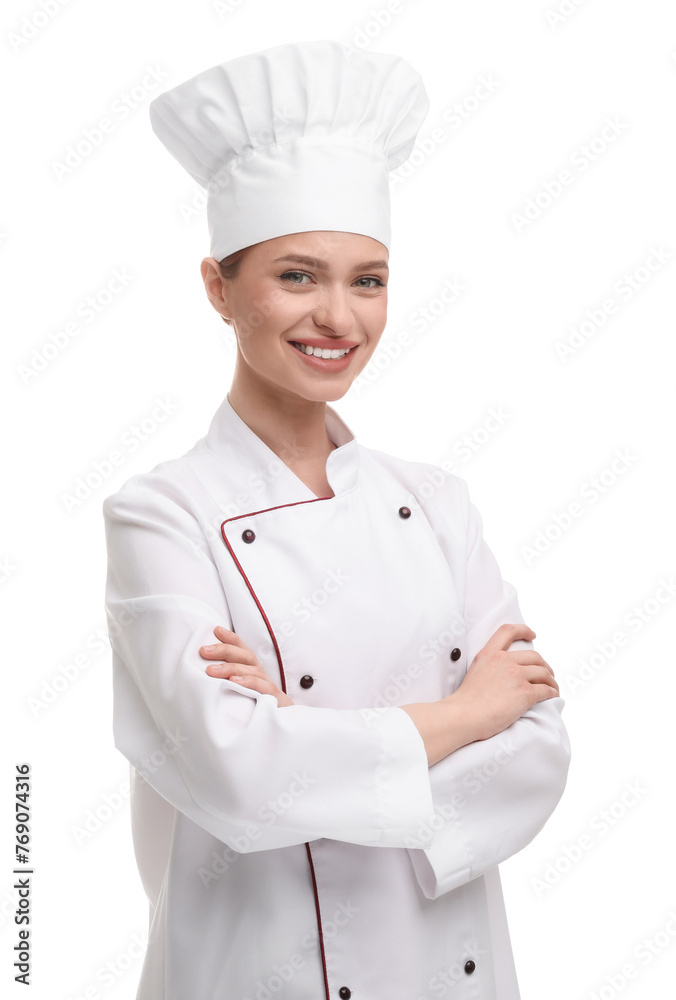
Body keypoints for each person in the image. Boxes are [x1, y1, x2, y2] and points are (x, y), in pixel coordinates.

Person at [102, 39, 570, 1000]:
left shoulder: (439, 502)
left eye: (368, 280)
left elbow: (536, 749)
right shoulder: (161, 514)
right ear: (218, 288)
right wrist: (462, 715)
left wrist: (301, 742)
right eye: (297, 276)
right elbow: (234, 771)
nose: (339, 318)